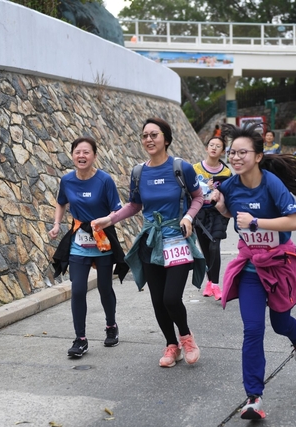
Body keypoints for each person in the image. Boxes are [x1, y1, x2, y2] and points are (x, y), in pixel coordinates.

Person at [211, 124, 296, 420]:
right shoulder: (230, 185)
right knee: (253, 330)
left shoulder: (271, 184)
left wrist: (256, 222)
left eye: (242, 152)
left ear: (258, 156)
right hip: (251, 269)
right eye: (232, 153)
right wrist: (219, 203)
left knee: (280, 324)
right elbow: (229, 210)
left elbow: (294, 222)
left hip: (279, 265)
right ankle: (253, 398)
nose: (236, 157)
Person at [92, 117, 205, 368]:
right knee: (157, 300)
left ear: (166, 139)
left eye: (154, 135)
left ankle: (186, 337)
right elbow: (134, 205)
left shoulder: (181, 168)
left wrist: (188, 217)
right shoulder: (138, 172)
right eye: (145, 135)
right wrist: (108, 220)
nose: (149, 139)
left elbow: (199, 197)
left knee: (171, 298)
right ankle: (171, 346)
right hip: (150, 241)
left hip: (177, 239)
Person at [49, 136, 129, 358]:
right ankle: (80, 339)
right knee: (77, 289)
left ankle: (111, 325)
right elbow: (61, 202)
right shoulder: (67, 180)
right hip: (79, 241)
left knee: (104, 287)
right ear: (72, 155)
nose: (81, 156)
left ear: (94, 156)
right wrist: (56, 224)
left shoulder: (104, 180)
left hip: (102, 240)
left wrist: (106, 220)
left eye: (86, 152)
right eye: (77, 152)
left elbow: (116, 209)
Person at [192, 135, 232, 301]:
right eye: (211, 145)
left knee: (214, 246)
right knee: (206, 249)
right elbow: (189, 190)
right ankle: (210, 282)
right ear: (206, 148)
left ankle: (215, 284)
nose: (214, 148)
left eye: (218, 146)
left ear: (222, 151)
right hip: (200, 213)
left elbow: (230, 193)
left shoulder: (226, 172)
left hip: (217, 214)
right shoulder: (195, 169)